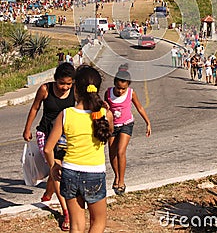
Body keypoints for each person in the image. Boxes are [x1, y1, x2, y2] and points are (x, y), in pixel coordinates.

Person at [44, 65, 113, 233]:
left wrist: (54, 167)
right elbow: (109, 134)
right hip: (94, 174)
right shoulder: (105, 114)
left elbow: (48, 149)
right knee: (98, 222)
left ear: (75, 89)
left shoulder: (66, 114)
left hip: (70, 172)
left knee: (76, 225)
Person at [23, 62, 76, 231]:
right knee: (56, 169)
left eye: (68, 83)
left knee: (56, 171)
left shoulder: (74, 92)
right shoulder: (45, 89)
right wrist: (27, 128)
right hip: (45, 135)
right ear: (55, 80)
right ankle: (66, 212)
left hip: (66, 136)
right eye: (62, 83)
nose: (64, 87)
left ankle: (48, 193)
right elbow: (35, 108)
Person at [105, 69, 151, 195]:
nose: (120, 91)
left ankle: (122, 181)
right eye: (118, 88)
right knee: (112, 152)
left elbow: (139, 107)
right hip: (112, 126)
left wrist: (148, 122)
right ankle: (117, 175)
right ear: (114, 84)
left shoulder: (131, 93)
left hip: (126, 124)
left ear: (128, 86)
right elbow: (106, 110)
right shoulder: (108, 93)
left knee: (121, 151)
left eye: (123, 88)